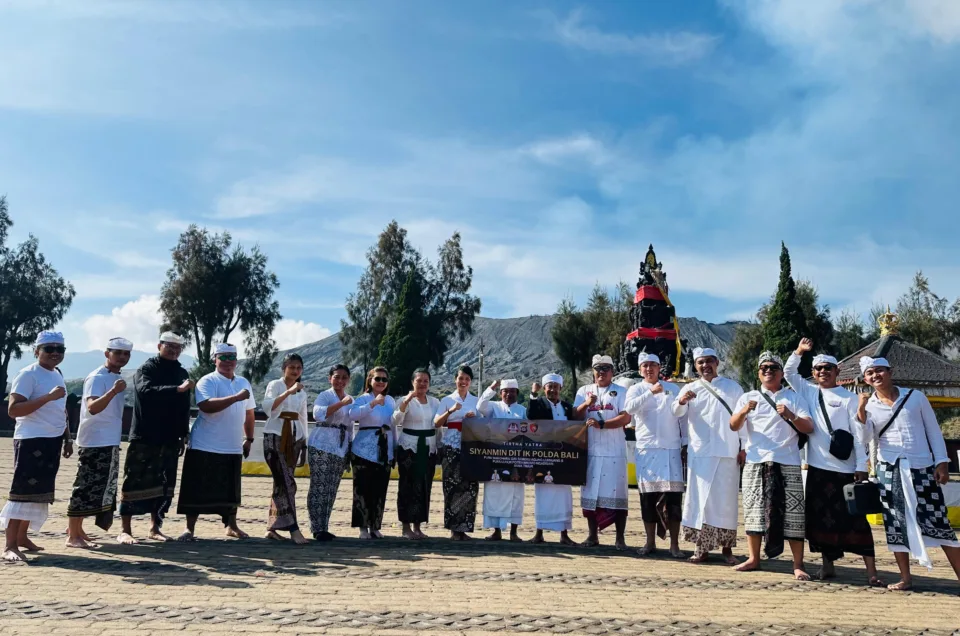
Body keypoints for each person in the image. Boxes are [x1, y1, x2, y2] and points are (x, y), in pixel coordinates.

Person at [859, 356, 960, 591]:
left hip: (921, 466)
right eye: (870, 373)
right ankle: (905, 577)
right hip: (889, 469)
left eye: (880, 371)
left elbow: (933, 431)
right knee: (896, 523)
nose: (875, 376)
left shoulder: (915, 397)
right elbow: (865, 438)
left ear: (890, 371)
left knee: (939, 521)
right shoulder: (869, 404)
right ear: (865, 378)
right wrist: (861, 412)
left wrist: (942, 462)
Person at [785, 339, 881, 585]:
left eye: (828, 368)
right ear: (813, 373)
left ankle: (871, 572)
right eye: (818, 369)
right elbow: (788, 372)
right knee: (820, 524)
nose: (823, 372)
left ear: (837, 371)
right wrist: (799, 352)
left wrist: (861, 466)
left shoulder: (849, 398)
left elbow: (859, 436)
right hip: (818, 468)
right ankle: (828, 567)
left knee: (856, 523)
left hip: (845, 470)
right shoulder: (808, 391)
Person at [730, 351, 814, 580]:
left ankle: (798, 564)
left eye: (773, 368)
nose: (768, 371)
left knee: (794, 515)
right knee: (754, 513)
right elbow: (733, 425)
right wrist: (745, 410)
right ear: (759, 373)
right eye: (764, 368)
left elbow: (809, 427)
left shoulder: (793, 397)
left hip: (787, 460)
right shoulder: (749, 397)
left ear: (780, 373)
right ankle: (754, 558)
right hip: (756, 460)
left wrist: (791, 416)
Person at [1, 331, 72, 562]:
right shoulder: (28, 374)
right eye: (48, 348)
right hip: (32, 439)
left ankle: (23, 537)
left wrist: (67, 437)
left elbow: (61, 410)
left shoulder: (57, 374)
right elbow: (14, 410)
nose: (54, 353)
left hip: (52, 439)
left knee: (38, 492)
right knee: (22, 491)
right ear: (36, 351)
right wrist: (47, 398)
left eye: (59, 349)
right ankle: (10, 544)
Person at [117, 331, 193, 544]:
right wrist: (176, 389)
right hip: (145, 434)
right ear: (159, 346)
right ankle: (125, 529)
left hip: (169, 437)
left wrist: (183, 434)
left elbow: (184, 405)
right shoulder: (147, 368)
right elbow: (144, 390)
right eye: (169, 346)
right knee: (134, 480)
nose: (173, 350)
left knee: (164, 484)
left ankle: (155, 527)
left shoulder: (181, 372)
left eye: (177, 348)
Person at [177, 343, 256, 541]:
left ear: (236, 360)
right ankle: (189, 528)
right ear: (215, 359)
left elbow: (249, 413)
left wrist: (249, 438)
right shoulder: (208, 381)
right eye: (224, 357)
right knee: (196, 488)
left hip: (232, 445)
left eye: (232, 357)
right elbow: (206, 406)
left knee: (231, 489)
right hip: (205, 443)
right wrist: (236, 397)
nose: (228, 362)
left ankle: (231, 526)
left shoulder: (244, 382)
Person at [672, 347, 744, 564]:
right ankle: (701, 549)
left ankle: (727, 550)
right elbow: (676, 412)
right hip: (700, 453)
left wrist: (744, 446)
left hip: (727, 453)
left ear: (717, 363)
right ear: (695, 366)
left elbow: (743, 420)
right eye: (701, 362)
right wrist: (682, 400)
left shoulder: (732, 388)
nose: (705, 366)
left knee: (726, 503)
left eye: (709, 361)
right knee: (700, 501)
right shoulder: (690, 388)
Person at [66, 337, 133, 549]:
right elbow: (93, 407)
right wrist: (113, 391)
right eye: (117, 353)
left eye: (126, 354)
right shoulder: (98, 377)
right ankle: (72, 537)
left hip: (108, 440)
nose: (122, 357)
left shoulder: (114, 376)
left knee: (99, 487)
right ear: (107, 354)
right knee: (85, 487)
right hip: (94, 440)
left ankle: (76, 529)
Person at [625, 353, 685, 558]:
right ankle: (650, 542)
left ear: (660, 368)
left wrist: (684, 444)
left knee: (674, 500)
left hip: (670, 451)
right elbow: (629, 408)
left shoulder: (673, 388)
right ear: (640, 369)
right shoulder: (636, 388)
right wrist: (650, 392)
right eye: (645, 366)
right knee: (647, 499)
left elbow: (680, 416)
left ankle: (674, 545)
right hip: (647, 451)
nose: (649, 369)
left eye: (653, 365)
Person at [574, 355, 631, 550]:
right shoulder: (584, 391)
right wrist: (587, 403)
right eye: (598, 368)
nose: (602, 372)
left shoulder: (621, 391)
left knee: (618, 495)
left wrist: (603, 424)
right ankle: (592, 536)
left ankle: (620, 538)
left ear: (612, 371)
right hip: (591, 452)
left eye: (606, 368)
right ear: (593, 371)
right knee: (591, 495)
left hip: (614, 452)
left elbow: (625, 417)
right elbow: (575, 415)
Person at [262, 353, 309, 544]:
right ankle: (293, 529)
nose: (295, 371)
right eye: (292, 367)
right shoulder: (275, 385)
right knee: (286, 483)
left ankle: (272, 526)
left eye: (298, 368)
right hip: (275, 436)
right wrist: (288, 392)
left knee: (282, 483)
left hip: (294, 438)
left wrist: (304, 440)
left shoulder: (302, 392)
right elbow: (268, 408)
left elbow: (303, 416)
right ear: (284, 368)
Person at [347, 366, 396, 539]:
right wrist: (373, 403)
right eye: (377, 379)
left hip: (384, 449)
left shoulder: (391, 401)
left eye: (384, 379)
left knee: (380, 489)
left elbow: (393, 426)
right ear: (370, 380)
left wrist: (393, 449)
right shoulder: (362, 399)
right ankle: (362, 527)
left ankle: (375, 526)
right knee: (362, 488)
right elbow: (352, 415)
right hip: (363, 449)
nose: (381, 382)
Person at [527, 373, 575, 546]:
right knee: (542, 494)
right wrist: (533, 394)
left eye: (555, 387)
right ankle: (539, 533)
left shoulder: (568, 408)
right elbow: (531, 416)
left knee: (563, 495)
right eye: (549, 386)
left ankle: (564, 534)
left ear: (560, 389)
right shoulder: (538, 404)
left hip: (563, 458)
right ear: (545, 388)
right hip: (544, 456)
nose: (552, 390)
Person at [392, 368, 441, 540]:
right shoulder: (404, 400)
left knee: (424, 486)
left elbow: (438, 424)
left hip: (428, 447)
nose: (422, 384)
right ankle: (406, 527)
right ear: (412, 382)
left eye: (425, 381)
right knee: (407, 486)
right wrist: (407, 400)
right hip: (409, 447)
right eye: (419, 380)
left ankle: (418, 526)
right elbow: (396, 420)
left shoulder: (435, 401)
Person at [477, 378, 527, 541]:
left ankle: (513, 532)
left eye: (512, 391)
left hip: (516, 459)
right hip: (496, 458)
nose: (509, 394)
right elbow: (480, 406)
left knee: (516, 496)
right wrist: (491, 388)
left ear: (517, 393)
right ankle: (496, 531)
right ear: (500, 393)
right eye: (506, 391)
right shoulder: (494, 406)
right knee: (494, 494)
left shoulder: (523, 410)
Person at [434, 365, 480, 541]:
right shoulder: (446, 399)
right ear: (455, 379)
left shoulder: (475, 401)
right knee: (451, 486)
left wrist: (473, 419)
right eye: (461, 378)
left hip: (470, 446)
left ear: (470, 382)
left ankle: (465, 527)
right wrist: (451, 411)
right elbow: (437, 423)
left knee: (470, 487)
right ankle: (454, 528)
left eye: (467, 379)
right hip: (451, 445)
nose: (463, 382)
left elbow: (484, 423)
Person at [309, 364, 353, 541]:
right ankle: (316, 527)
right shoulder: (325, 395)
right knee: (319, 486)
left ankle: (324, 525)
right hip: (321, 443)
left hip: (340, 446)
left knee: (331, 488)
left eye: (344, 377)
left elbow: (350, 426)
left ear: (348, 380)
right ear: (330, 378)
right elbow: (318, 414)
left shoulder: (351, 399)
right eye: (337, 377)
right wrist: (341, 403)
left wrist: (349, 450)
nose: (340, 381)